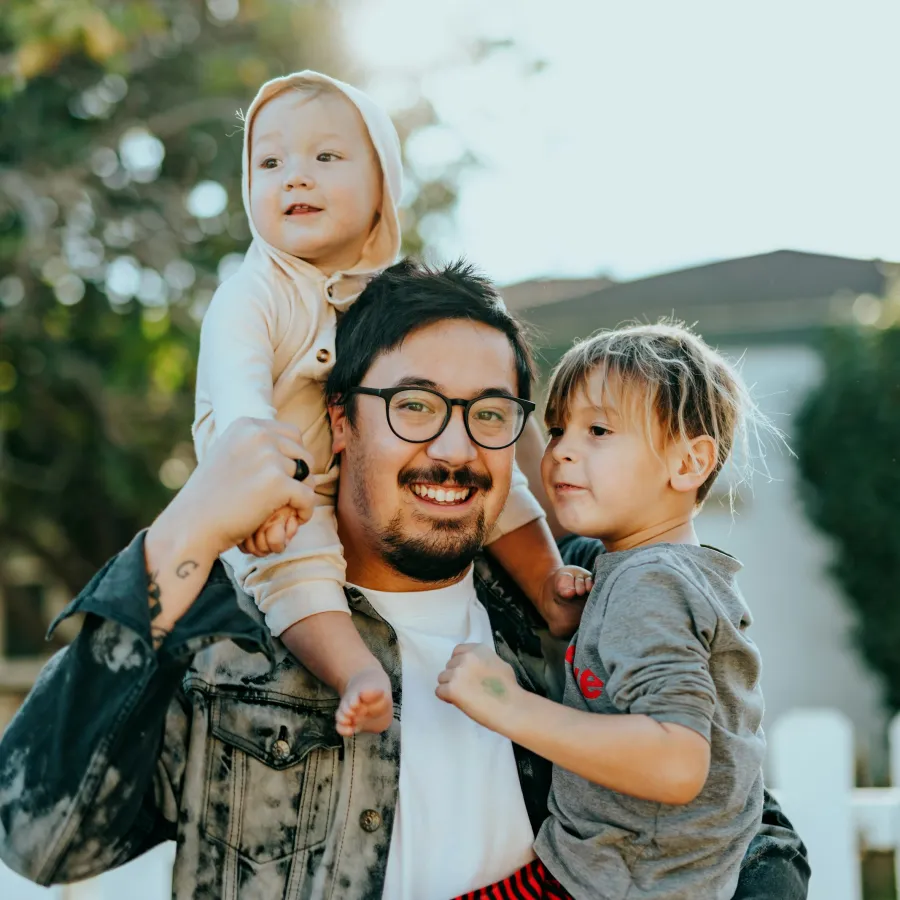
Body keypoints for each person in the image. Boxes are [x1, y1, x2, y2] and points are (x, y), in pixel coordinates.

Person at [0, 263, 809, 900]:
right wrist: (184, 530)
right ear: (343, 420)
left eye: (490, 413)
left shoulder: (572, 602)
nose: (455, 449)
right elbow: (38, 836)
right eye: (416, 406)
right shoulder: (228, 636)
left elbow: (743, 819)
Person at [192, 71, 586, 737]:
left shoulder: (394, 298)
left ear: (383, 189)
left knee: (496, 478)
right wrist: (262, 495)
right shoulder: (254, 293)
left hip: (353, 479)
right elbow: (240, 405)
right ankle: (356, 671)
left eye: (325, 157)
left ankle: (549, 586)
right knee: (296, 572)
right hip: (274, 489)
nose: (295, 177)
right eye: (270, 162)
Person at [439, 322, 782, 899]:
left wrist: (506, 705)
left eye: (598, 429)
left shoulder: (649, 583)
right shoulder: (661, 573)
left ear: (689, 462)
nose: (563, 450)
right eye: (556, 429)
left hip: (612, 881)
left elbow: (676, 762)